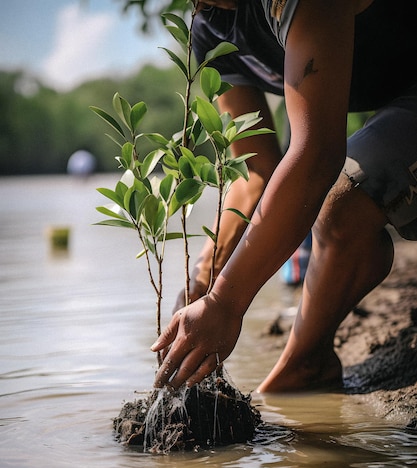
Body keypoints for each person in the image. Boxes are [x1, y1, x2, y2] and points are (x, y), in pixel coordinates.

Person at [152, 0, 417, 393]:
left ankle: (306, 365)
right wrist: (202, 284)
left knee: (342, 204)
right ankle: (308, 372)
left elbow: (317, 157)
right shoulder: (208, 31)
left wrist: (226, 303)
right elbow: (254, 174)